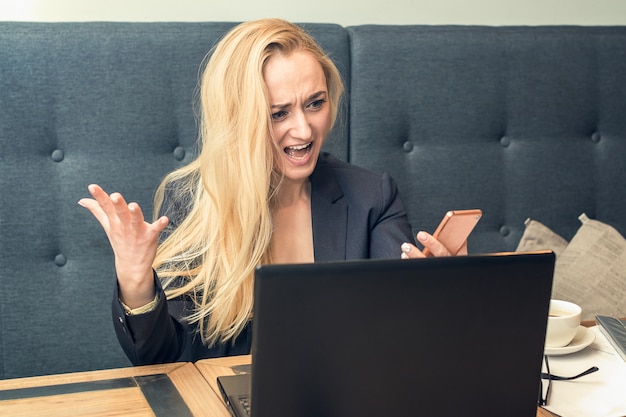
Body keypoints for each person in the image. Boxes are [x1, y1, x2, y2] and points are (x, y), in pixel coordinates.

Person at [79, 18, 458, 366]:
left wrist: (448, 295)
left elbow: (401, 338)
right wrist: (135, 281)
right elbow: (163, 360)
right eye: (279, 113)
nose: (305, 130)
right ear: (238, 120)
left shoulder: (373, 196)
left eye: (315, 104)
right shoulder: (194, 201)